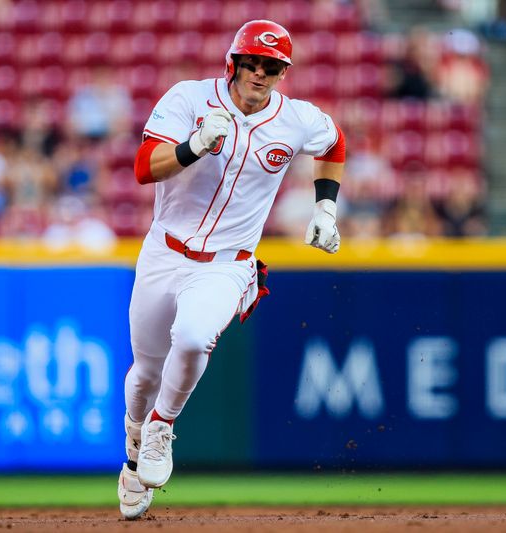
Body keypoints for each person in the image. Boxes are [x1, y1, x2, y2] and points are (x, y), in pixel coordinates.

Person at [117, 20, 346, 520]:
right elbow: (141, 168)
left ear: (283, 73)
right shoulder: (188, 99)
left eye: (272, 66)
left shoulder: (296, 119)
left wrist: (325, 209)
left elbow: (333, 144)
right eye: (253, 62)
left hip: (229, 262)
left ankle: (161, 426)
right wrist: (193, 146)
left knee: (196, 336)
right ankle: (134, 444)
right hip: (165, 251)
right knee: (143, 375)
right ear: (234, 62)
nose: (260, 73)